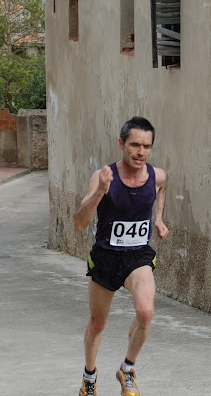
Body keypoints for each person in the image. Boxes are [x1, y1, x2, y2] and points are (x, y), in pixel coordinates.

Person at [73, 116, 169, 396]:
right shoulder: (104, 177)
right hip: (105, 257)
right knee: (98, 323)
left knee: (146, 311)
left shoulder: (156, 175)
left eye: (147, 146)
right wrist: (100, 193)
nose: (141, 152)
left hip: (138, 256)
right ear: (121, 144)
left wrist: (159, 218)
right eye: (135, 145)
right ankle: (89, 377)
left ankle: (127, 369)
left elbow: (162, 187)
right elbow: (79, 222)